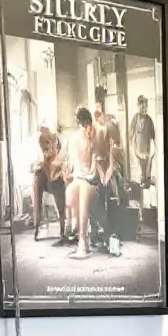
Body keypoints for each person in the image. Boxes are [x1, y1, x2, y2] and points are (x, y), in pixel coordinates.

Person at [89, 88, 123, 256]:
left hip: (107, 171)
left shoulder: (107, 127)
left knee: (110, 199)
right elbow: (94, 156)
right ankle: (96, 235)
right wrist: (100, 172)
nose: (98, 116)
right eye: (95, 113)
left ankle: (111, 237)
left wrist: (107, 172)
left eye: (99, 112)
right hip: (96, 172)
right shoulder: (92, 131)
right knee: (95, 202)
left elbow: (110, 154)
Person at [64, 106, 98, 258]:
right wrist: (69, 174)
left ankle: (83, 242)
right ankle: (78, 234)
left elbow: (95, 171)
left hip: (93, 183)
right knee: (73, 190)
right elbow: (71, 166)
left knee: (83, 189)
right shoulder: (74, 139)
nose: (85, 129)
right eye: (83, 126)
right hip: (79, 180)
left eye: (86, 126)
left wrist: (88, 172)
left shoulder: (94, 140)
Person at [30, 127, 66, 241]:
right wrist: (38, 165)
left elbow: (61, 163)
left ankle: (62, 229)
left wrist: (54, 167)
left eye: (47, 141)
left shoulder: (58, 142)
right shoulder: (38, 149)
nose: (45, 145)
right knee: (37, 179)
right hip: (43, 176)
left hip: (56, 178)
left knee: (59, 194)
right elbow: (32, 166)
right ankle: (36, 226)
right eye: (43, 142)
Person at [130, 95, 157, 187]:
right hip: (137, 149)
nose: (143, 108)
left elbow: (153, 136)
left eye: (145, 106)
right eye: (141, 106)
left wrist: (155, 148)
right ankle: (142, 180)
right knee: (140, 169)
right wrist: (132, 149)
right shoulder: (135, 118)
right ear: (138, 106)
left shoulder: (149, 120)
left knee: (146, 169)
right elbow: (131, 134)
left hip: (146, 150)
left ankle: (146, 181)